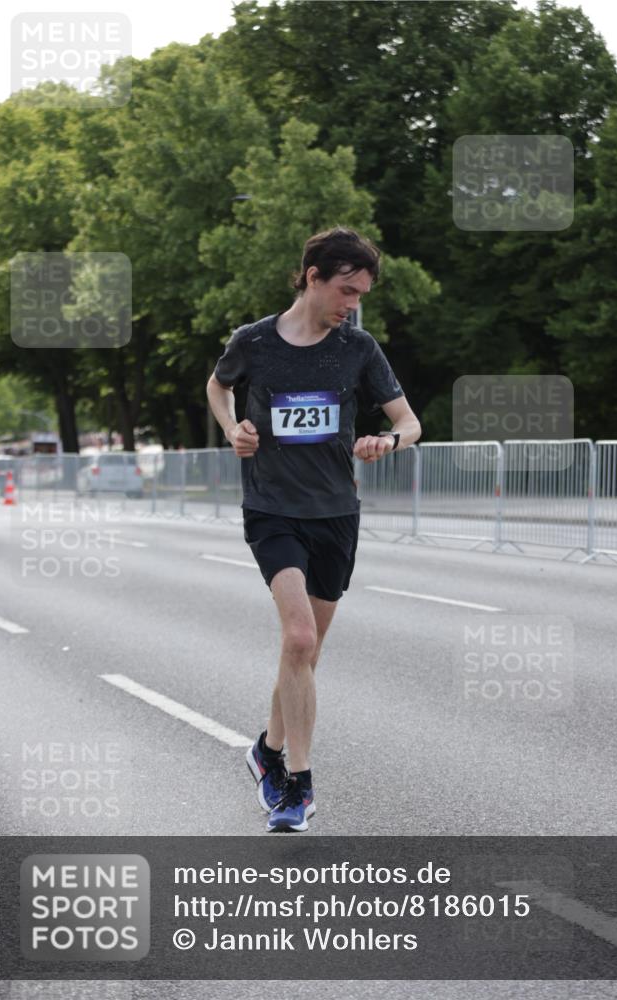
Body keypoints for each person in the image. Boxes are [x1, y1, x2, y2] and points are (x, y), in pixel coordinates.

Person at [206, 227, 421, 832]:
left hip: (335, 514)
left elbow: (410, 422)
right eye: (346, 290)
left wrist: (387, 440)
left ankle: (267, 749)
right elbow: (218, 387)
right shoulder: (253, 342)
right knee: (298, 638)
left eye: (361, 294)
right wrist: (232, 428)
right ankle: (297, 786)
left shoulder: (358, 348)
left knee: (307, 652)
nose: (353, 303)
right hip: (272, 509)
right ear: (312, 277)